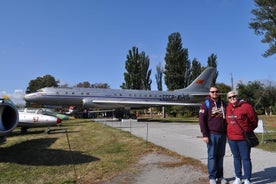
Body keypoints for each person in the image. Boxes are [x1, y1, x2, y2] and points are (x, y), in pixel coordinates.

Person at [225, 90, 258, 184]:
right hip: (231, 139)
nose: (232, 98)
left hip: (243, 139)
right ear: (228, 99)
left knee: (246, 158)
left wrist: (247, 129)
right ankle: (238, 178)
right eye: (230, 97)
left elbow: (254, 121)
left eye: (234, 96)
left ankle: (247, 179)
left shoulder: (246, 106)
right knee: (236, 158)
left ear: (237, 96)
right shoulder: (227, 107)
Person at [199, 86, 228, 184]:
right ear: (209, 93)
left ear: (218, 92)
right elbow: (202, 121)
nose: (215, 93)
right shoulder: (206, 104)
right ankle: (212, 177)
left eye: (216, 91)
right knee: (212, 156)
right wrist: (204, 135)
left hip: (222, 135)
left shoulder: (223, 103)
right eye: (212, 92)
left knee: (220, 156)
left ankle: (220, 176)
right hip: (211, 134)